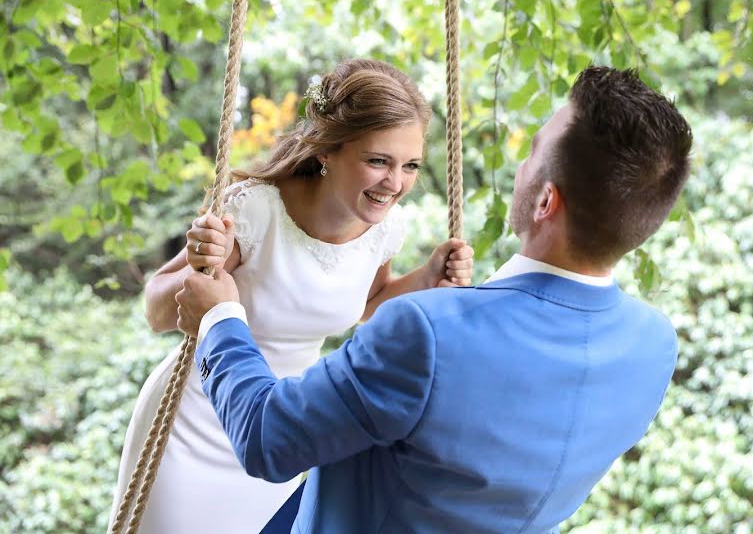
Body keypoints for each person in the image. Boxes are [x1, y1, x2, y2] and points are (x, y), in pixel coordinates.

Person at [175, 65, 693, 533]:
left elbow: (268, 438)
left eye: (533, 151)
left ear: (545, 200)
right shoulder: (653, 347)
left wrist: (220, 317)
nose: (521, 166)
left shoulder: (426, 333)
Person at [109, 58, 474, 534]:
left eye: (409, 166)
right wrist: (200, 265)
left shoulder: (384, 230)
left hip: (277, 432)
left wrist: (426, 278)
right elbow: (158, 311)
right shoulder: (255, 210)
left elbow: (365, 306)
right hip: (194, 428)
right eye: (378, 161)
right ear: (327, 151)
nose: (395, 183)